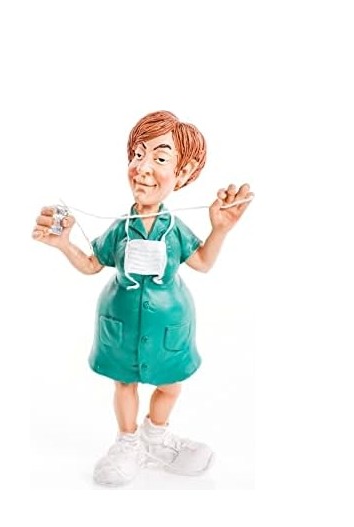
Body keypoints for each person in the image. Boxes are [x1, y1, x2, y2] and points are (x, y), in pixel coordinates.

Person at [32, 110, 253, 486]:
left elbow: (201, 262)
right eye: (137, 154)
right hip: (120, 320)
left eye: (160, 158)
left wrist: (220, 230)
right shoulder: (121, 228)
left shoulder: (175, 229)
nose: (143, 167)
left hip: (170, 324)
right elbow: (92, 264)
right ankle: (127, 442)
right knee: (124, 383)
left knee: (171, 385)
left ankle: (156, 437)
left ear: (183, 173)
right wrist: (63, 244)